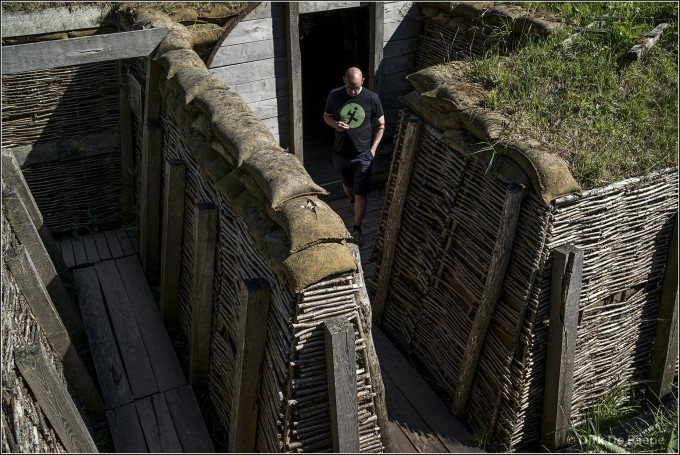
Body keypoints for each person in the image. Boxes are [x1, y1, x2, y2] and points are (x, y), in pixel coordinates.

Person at [323, 67, 385, 244]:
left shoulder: (372, 98)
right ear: (343, 80)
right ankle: (351, 199)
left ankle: (357, 229)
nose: (353, 91)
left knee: (361, 193)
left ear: (363, 81)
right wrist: (335, 125)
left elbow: (381, 125)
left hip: (363, 155)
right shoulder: (335, 96)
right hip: (341, 154)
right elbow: (326, 116)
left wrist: (373, 150)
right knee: (348, 186)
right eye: (350, 87)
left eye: (356, 88)